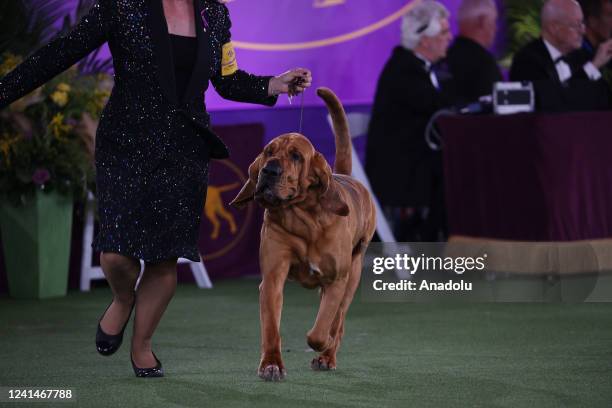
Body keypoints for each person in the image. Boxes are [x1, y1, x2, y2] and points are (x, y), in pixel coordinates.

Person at [0, 0, 312, 378]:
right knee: (117, 254)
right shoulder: (122, 6)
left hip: (185, 153)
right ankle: (122, 297)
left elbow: (226, 79)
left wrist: (272, 84)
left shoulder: (214, 13)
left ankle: (142, 346)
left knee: (164, 258)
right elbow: (59, 52)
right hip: (126, 147)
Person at [365, 0, 454, 242]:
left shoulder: (418, 67)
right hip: (398, 170)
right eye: (445, 32)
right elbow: (437, 107)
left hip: (414, 161)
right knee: (457, 173)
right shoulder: (404, 70)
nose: (450, 37)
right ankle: (434, 247)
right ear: (425, 39)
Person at [509, 0, 612, 111]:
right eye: (576, 25)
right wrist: (593, 66)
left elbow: (603, 99)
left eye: (582, 23)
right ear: (554, 28)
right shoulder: (527, 60)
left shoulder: (582, 57)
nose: (583, 31)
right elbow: (554, 101)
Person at [446, 0, 503, 104]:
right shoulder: (484, 64)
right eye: (494, 21)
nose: (496, 29)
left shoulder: (444, 58)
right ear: (482, 21)